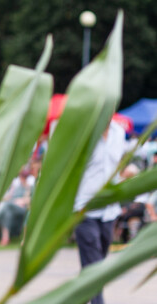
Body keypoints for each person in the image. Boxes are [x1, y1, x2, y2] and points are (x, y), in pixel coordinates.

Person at [74, 121, 126, 304]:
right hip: (84, 208)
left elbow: (118, 166)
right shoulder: (84, 131)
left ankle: (77, 295)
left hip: (109, 210)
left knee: (96, 263)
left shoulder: (119, 132)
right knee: (94, 264)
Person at [0, 167, 33, 246]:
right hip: (10, 206)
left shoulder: (29, 187)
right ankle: (5, 237)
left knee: (5, 206)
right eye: (22, 176)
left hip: (21, 208)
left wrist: (21, 200)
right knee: (7, 212)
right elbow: (8, 197)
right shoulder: (16, 186)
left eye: (24, 176)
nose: (23, 178)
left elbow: (30, 199)